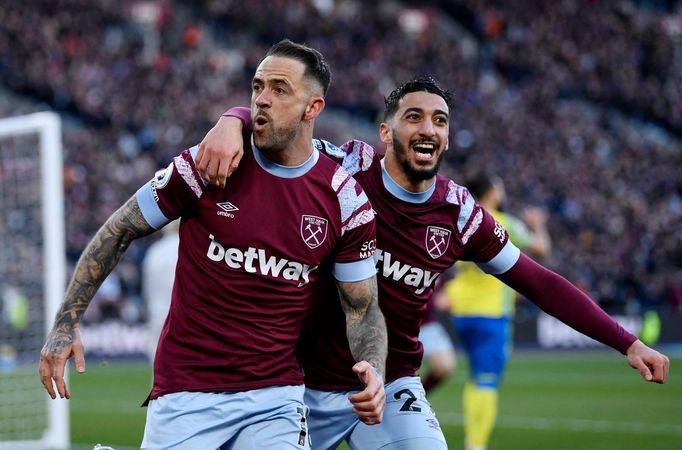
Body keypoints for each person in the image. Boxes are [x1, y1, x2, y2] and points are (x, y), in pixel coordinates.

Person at [199, 77, 669, 450]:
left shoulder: (461, 214)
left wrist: (625, 342)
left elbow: (539, 282)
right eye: (414, 117)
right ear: (386, 132)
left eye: (440, 120)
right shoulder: (341, 168)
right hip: (295, 383)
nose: (429, 128)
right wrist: (232, 119)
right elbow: (275, 134)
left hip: (389, 386)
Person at [39, 39, 388, 450]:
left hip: (276, 396)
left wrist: (375, 367)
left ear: (313, 108)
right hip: (187, 390)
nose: (262, 100)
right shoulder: (208, 164)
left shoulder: (345, 201)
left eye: (280, 90)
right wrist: (66, 322)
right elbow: (119, 229)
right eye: (257, 87)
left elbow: (362, 308)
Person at [441, 172, 551, 450]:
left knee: (475, 377)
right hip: (491, 315)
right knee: (486, 381)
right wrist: (537, 225)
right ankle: (476, 444)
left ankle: (472, 435)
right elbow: (541, 248)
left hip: (462, 312)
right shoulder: (503, 222)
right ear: (492, 192)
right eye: (499, 186)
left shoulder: (461, 220)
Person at [141, 219, 180, 364]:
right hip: (183, 315)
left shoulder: (154, 251)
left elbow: (146, 287)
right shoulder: (190, 246)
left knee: (158, 369)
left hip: (157, 314)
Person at [419, 277, 457, 395]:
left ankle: (418, 397)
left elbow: (440, 297)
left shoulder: (439, 264)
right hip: (398, 323)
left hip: (427, 323)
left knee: (445, 366)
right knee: (403, 372)